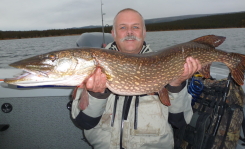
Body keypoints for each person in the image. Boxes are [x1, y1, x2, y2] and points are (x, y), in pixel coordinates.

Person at [71, 8, 201, 149]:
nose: (129, 32)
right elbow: (84, 122)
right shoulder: (93, 68)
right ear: (113, 34)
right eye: (123, 27)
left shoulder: (168, 66)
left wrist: (176, 84)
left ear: (144, 32)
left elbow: (179, 122)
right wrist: (95, 94)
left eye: (135, 27)